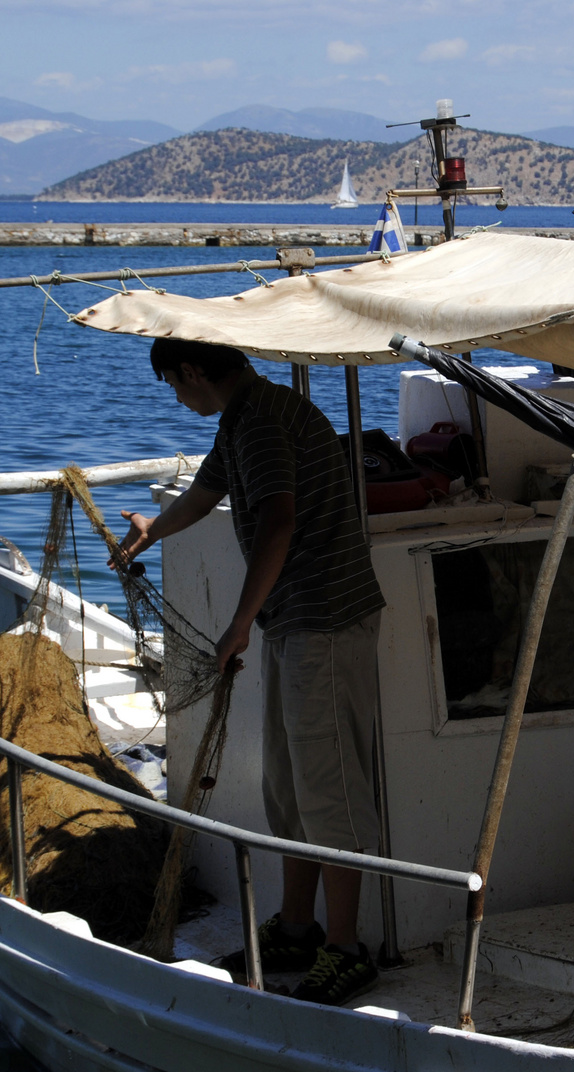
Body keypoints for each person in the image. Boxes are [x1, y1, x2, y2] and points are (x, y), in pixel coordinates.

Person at [115, 338, 386, 1005]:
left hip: (323, 616)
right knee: (289, 786)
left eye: (174, 387)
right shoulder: (246, 415)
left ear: (191, 372)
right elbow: (207, 493)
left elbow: (277, 521)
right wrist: (152, 531)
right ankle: (297, 926)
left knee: (330, 791)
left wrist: (239, 622)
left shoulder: (263, 418)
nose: (178, 399)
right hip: (294, 621)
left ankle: (346, 948)